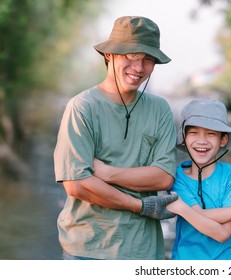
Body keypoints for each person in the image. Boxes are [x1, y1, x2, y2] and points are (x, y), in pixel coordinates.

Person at [53, 16, 178, 260]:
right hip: (87, 250)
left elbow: (163, 176)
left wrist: (105, 173)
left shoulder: (160, 109)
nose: (139, 67)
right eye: (131, 55)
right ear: (109, 55)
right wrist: (140, 205)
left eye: (148, 59)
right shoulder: (82, 107)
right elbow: (76, 184)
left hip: (144, 251)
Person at [165, 98, 231, 260]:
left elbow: (222, 234)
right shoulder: (178, 175)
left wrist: (181, 209)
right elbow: (199, 214)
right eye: (193, 133)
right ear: (184, 137)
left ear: (223, 140)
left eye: (211, 134)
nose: (202, 141)